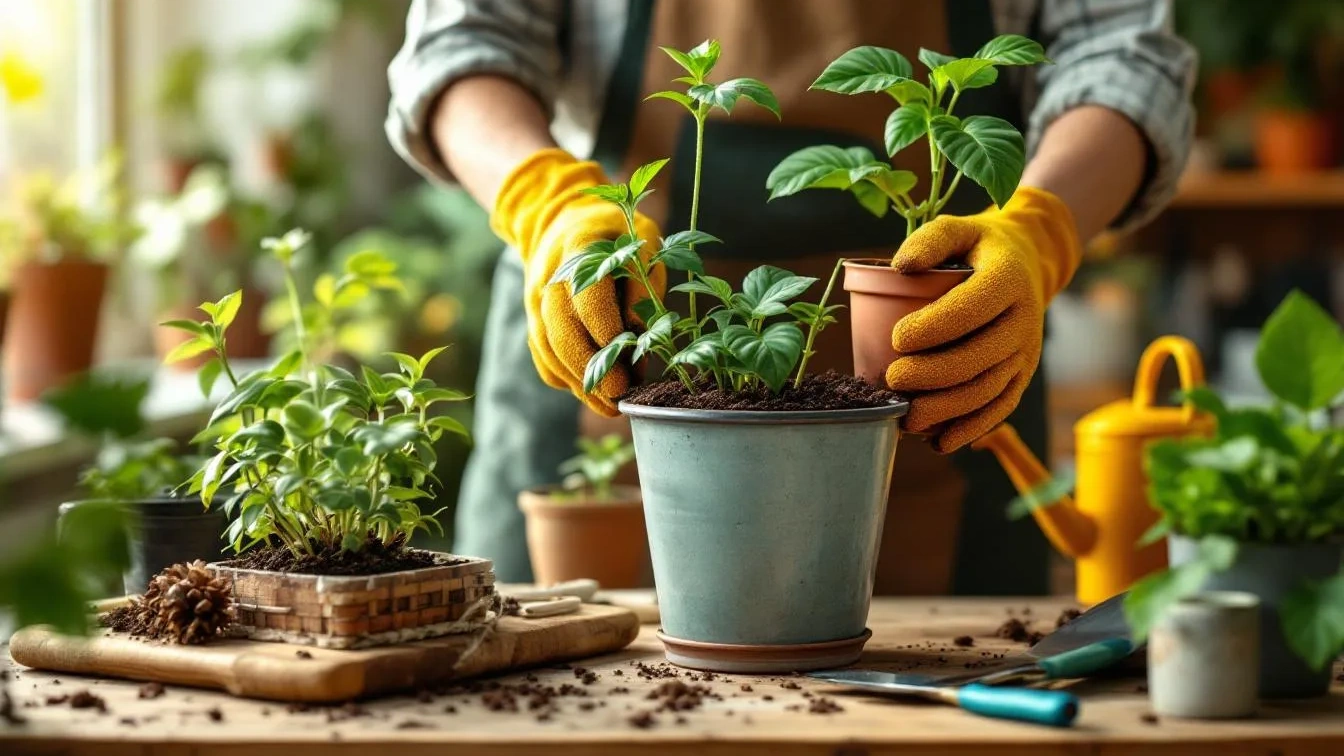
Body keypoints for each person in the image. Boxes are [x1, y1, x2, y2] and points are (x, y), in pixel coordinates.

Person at [386, 0, 1195, 594]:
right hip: (605, 321)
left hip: (941, 373)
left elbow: (1119, 52)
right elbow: (464, 37)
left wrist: (1044, 226)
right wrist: (542, 198)